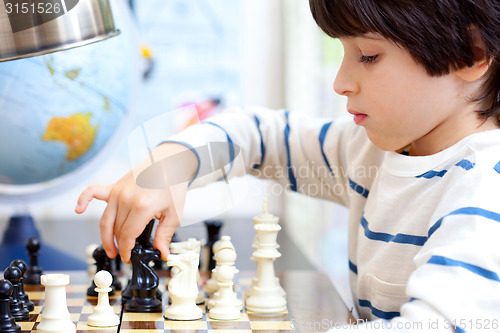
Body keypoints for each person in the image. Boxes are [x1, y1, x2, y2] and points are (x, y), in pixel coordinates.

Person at [76, 0, 500, 330]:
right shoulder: (371, 152)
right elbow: (257, 137)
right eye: (343, 52)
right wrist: (171, 165)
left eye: (368, 56)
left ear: (470, 53)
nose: (340, 81)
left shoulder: (486, 191)